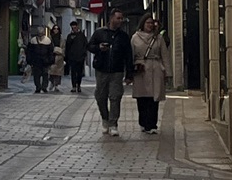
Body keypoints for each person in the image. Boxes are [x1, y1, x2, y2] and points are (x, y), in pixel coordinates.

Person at [87, 8, 134, 136]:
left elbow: (128, 55)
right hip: (101, 69)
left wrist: (129, 74)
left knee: (115, 96)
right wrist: (99, 48)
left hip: (117, 71)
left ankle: (113, 124)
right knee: (100, 96)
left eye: (121, 18)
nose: (120, 20)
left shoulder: (123, 36)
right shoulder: (100, 33)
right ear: (111, 18)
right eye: (118, 18)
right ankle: (105, 118)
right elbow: (89, 46)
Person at [131, 13, 171, 134]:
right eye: (147, 23)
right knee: (142, 98)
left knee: (154, 98)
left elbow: (164, 55)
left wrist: (168, 72)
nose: (150, 25)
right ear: (142, 24)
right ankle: (143, 122)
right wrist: (130, 71)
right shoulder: (135, 37)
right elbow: (131, 55)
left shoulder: (158, 38)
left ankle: (152, 124)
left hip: (156, 69)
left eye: (151, 23)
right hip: (141, 69)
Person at [26, 26, 54, 93]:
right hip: (38, 61)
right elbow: (29, 52)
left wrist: (50, 60)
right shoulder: (35, 40)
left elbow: (50, 52)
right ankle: (40, 87)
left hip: (42, 61)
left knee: (43, 74)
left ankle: (42, 87)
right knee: (39, 74)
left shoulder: (46, 40)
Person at [64, 19, 88, 92]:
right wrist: (67, 56)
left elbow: (85, 45)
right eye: (72, 28)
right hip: (72, 57)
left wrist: (84, 54)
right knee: (73, 72)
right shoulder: (70, 36)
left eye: (75, 27)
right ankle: (74, 86)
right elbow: (67, 46)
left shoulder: (82, 35)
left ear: (77, 27)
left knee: (79, 72)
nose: (74, 29)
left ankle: (79, 85)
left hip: (80, 57)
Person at [48, 27, 65, 91]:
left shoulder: (61, 38)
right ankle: (52, 83)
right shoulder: (50, 38)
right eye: (54, 29)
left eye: (57, 29)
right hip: (52, 56)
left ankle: (56, 85)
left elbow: (64, 47)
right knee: (51, 71)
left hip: (59, 56)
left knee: (58, 72)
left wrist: (61, 52)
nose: (56, 30)